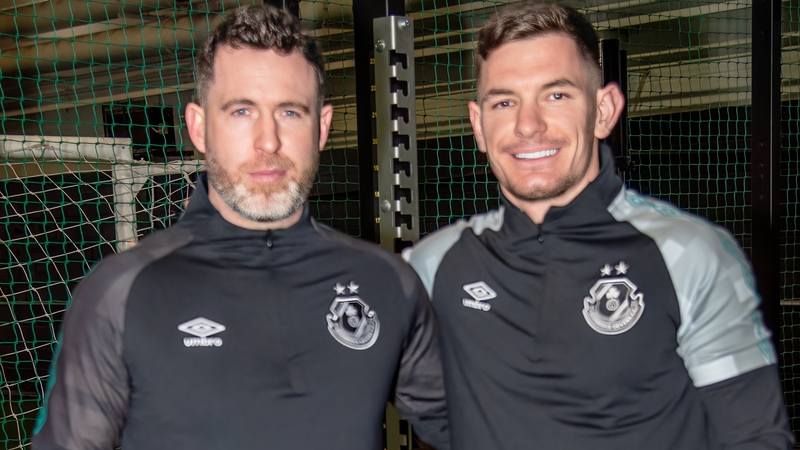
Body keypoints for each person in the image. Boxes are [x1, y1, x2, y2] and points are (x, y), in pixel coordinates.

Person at [32, 5, 448, 450]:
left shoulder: (385, 282)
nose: (267, 141)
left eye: (290, 112)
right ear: (198, 127)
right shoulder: (121, 293)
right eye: (241, 112)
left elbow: (474, 427)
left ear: (322, 127)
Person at [403, 3, 793, 449]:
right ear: (478, 123)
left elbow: (753, 436)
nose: (527, 125)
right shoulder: (432, 266)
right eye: (505, 101)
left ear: (604, 110)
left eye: (556, 95)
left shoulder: (687, 253)